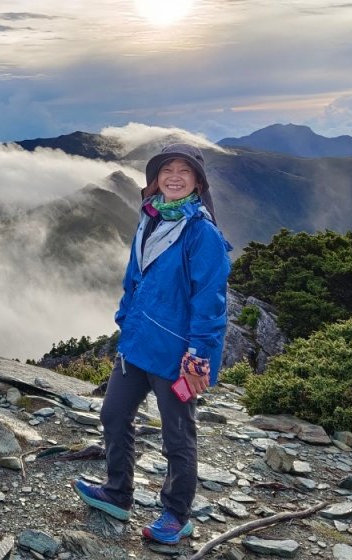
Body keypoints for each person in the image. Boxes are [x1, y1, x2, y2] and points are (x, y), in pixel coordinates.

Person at [72, 142, 231, 545]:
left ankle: (177, 515)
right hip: (138, 344)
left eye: (185, 172)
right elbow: (134, 277)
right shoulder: (150, 218)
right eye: (167, 170)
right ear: (155, 177)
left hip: (176, 353)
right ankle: (118, 491)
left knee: (177, 435)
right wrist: (124, 319)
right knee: (113, 414)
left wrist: (198, 355)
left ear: (197, 182)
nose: (175, 177)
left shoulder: (202, 234)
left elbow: (210, 301)